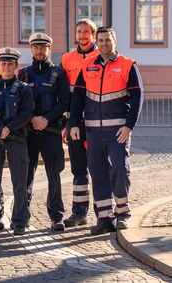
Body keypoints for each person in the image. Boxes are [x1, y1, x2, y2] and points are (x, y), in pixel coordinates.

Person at [69, 26, 143, 235]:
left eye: (107, 40)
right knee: (98, 173)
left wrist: (129, 126)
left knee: (119, 168)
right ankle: (103, 218)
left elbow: (138, 97)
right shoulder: (86, 66)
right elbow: (78, 98)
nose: (103, 44)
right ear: (97, 42)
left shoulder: (128, 65)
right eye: (100, 40)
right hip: (93, 132)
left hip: (118, 132)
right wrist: (74, 123)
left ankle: (122, 213)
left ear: (114, 41)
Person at [18, 33, 69, 231]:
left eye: (43, 47)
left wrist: (45, 119)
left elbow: (64, 102)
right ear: (31, 49)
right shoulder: (23, 74)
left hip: (51, 131)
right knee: (26, 176)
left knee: (54, 176)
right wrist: (32, 118)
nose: (39, 51)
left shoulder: (60, 73)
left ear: (49, 48)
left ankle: (56, 216)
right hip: (29, 131)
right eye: (36, 47)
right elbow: (20, 103)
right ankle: (22, 217)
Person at [0, 48, 34, 235]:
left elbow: (26, 114)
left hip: (16, 139)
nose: (6, 67)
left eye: (10, 64)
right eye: (3, 63)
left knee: (20, 182)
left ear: (16, 66)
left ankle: (20, 221)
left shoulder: (24, 89)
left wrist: (8, 129)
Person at [61, 19, 99, 228]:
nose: (83, 35)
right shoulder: (67, 59)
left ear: (92, 34)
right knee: (78, 169)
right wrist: (66, 124)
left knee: (100, 168)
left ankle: (103, 212)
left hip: (97, 121)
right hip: (75, 123)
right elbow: (64, 95)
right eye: (79, 31)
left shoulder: (100, 55)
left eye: (86, 31)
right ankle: (79, 212)